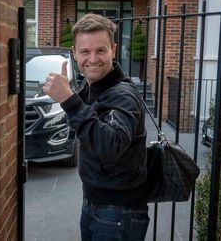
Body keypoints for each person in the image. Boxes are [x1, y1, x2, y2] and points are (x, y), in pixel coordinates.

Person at [43, 13, 149, 241]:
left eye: (100, 50)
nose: (92, 58)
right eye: (84, 51)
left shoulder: (123, 95)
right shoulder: (95, 86)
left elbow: (110, 147)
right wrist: (72, 94)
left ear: (113, 49)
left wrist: (69, 100)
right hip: (96, 202)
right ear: (74, 53)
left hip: (118, 210)